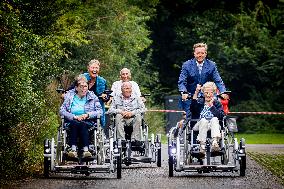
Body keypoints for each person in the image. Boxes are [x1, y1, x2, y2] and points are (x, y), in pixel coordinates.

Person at [178, 42, 228, 117]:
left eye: (202, 53)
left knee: (217, 115)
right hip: (191, 96)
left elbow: (218, 81)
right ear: (194, 53)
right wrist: (184, 92)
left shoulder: (212, 65)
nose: (200, 55)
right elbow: (182, 82)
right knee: (190, 117)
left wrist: (223, 92)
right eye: (198, 53)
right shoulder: (186, 65)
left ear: (205, 53)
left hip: (208, 95)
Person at [60, 76, 103, 158]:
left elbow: (100, 112)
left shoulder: (93, 97)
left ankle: (86, 150)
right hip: (72, 121)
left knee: (82, 124)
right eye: (81, 86)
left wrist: (87, 115)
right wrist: (73, 116)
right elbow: (62, 110)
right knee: (75, 123)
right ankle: (73, 150)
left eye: (85, 86)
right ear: (76, 88)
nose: (84, 89)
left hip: (88, 122)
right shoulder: (69, 97)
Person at [67, 59, 108, 127]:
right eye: (92, 67)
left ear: (99, 69)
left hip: (94, 108)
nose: (94, 70)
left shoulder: (102, 81)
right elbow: (70, 90)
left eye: (96, 68)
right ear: (88, 69)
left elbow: (107, 96)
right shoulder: (81, 78)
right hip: (79, 105)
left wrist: (105, 97)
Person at [190, 82, 225, 157]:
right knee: (203, 120)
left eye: (210, 92)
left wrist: (212, 106)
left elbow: (221, 116)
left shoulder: (217, 103)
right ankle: (202, 146)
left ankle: (215, 143)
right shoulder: (200, 101)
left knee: (215, 119)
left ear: (214, 93)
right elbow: (192, 108)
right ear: (203, 93)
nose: (208, 94)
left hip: (213, 125)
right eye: (206, 92)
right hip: (199, 125)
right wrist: (196, 92)